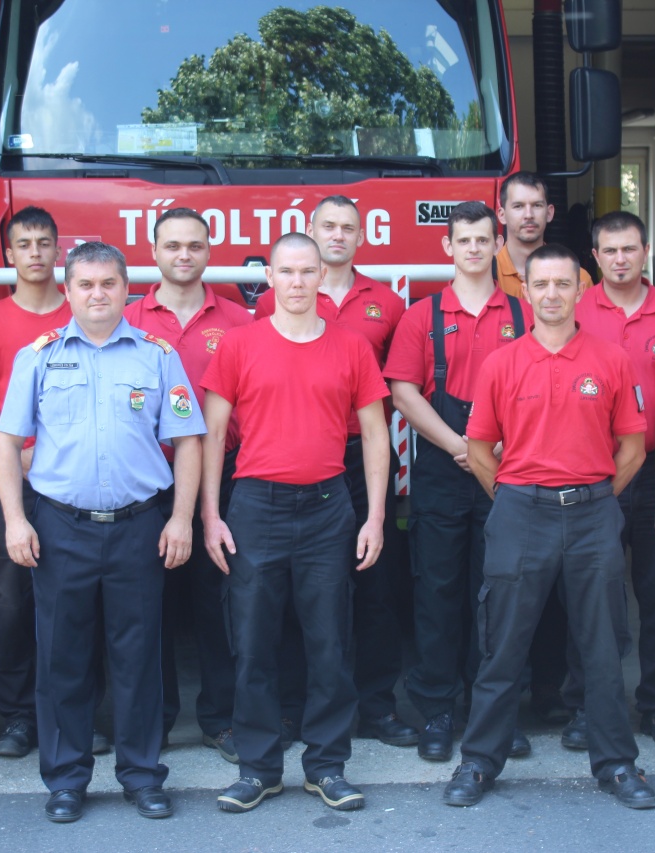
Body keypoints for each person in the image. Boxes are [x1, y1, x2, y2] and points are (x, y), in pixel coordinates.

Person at [0, 241, 205, 823]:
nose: (96, 294)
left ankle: (142, 775)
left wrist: (182, 518)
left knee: (138, 657)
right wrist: (15, 519)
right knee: (62, 657)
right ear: (67, 291)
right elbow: (7, 445)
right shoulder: (37, 358)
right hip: (61, 528)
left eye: (108, 283)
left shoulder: (156, 357)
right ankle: (66, 779)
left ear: (125, 288)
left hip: (140, 527)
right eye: (85, 284)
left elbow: (188, 441)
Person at [445, 243, 655, 810]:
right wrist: (518, 498)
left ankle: (617, 766)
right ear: (525, 290)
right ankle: (479, 763)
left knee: (603, 647)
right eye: (541, 285)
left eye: (563, 284)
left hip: (592, 514)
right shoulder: (503, 363)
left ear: (579, 290)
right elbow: (480, 448)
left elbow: (633, 449)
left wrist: (590, 498)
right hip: (520, 513)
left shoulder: (611, 359)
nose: (552, 295)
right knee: (502, 645)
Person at [201, 233, 389, 813]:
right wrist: (210, 513)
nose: (299, 282)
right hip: (256, 505)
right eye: (287, 271)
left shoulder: (351, 346)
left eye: (308, 271)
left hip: (329, 505)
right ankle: (259, 770)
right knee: (253, 643)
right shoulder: (238, 345)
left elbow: (377, 434)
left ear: (320, 277)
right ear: (271, 279)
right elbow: (211, 436)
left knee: (329, 641)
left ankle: (326, 767)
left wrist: (375, 515)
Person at [255, 195, 416, 748]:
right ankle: (295, 710)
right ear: (312, 232)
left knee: (373, 587)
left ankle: (376, 706)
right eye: (329, 226)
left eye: (349, 227)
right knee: (302, 596)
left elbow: (397, 386)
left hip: (362, 458)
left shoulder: (387, 303)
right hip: (302, 460)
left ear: (360, 236)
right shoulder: (280, 301)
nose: (339, 234)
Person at [383, 201, 531, 763]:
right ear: (446, 247)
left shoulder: (522, 313)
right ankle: (439, 713)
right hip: (444, 471)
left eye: (482, 239)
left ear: (497, 244)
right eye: (462, 240)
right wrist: (459, 446)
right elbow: (403, 393)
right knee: (438, 593)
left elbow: (536, 388)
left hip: (507, 467)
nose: (473, 248)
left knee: (498, 596)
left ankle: (495, 714)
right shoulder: (422, 316)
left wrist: (495, 449)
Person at [123, 207, 254, 761]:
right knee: (147, 610)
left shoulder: (241, 321)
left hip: (219, 484)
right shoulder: (127, 319)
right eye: (172, 245)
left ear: (208, 251)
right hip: (145, 486)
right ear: (153, 252)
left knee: (218, 603)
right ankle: (153, 719)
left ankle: (221, 719)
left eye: (195, 246)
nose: (184, 255)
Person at [565, 211, 655, 754]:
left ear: (646, 252)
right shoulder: (573, 307)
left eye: (630, 249)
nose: (620, 259)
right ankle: (585, 706)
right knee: (590, 595)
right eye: (609, 250)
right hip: (592, 476)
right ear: (594, 258)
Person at [0, 206, 74, 758]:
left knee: (75, 601)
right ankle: (18, 718)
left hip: (76, 480)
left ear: (59, 250)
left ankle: (73, 714)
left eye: (43, 242)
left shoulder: (83, 309)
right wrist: (17, 451)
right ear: (8, 253)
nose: (34, 252)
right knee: (8, 602)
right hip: (15, 478)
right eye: (23, 243)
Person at [494, 171, 593, 299]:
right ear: (502, 215)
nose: (528, 215)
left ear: (549, 213)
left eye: (537, 205)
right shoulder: (486, 275)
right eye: (518, 206)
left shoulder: (578, 278)